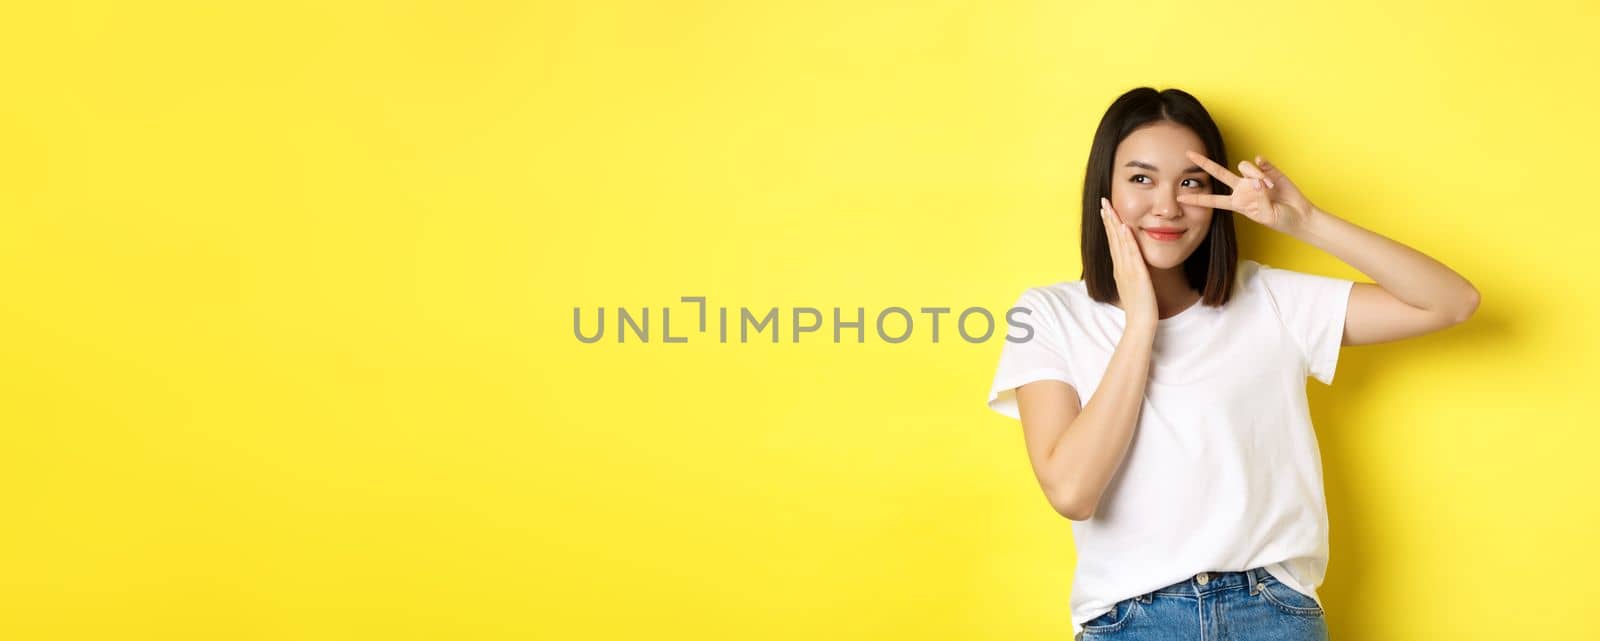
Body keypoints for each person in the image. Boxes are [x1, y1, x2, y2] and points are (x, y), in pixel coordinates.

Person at [985, 87, 1479, 641]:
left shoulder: (1269, 299)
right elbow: (1072, 493)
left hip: (1270, 614)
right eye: (1141, 178)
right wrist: (1141, 326)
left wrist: (1306, 221)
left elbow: (1450, 302)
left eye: (1190, 182)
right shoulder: (1050, 314)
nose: (1168, 206)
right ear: (1105, 188)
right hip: (1131, 621)